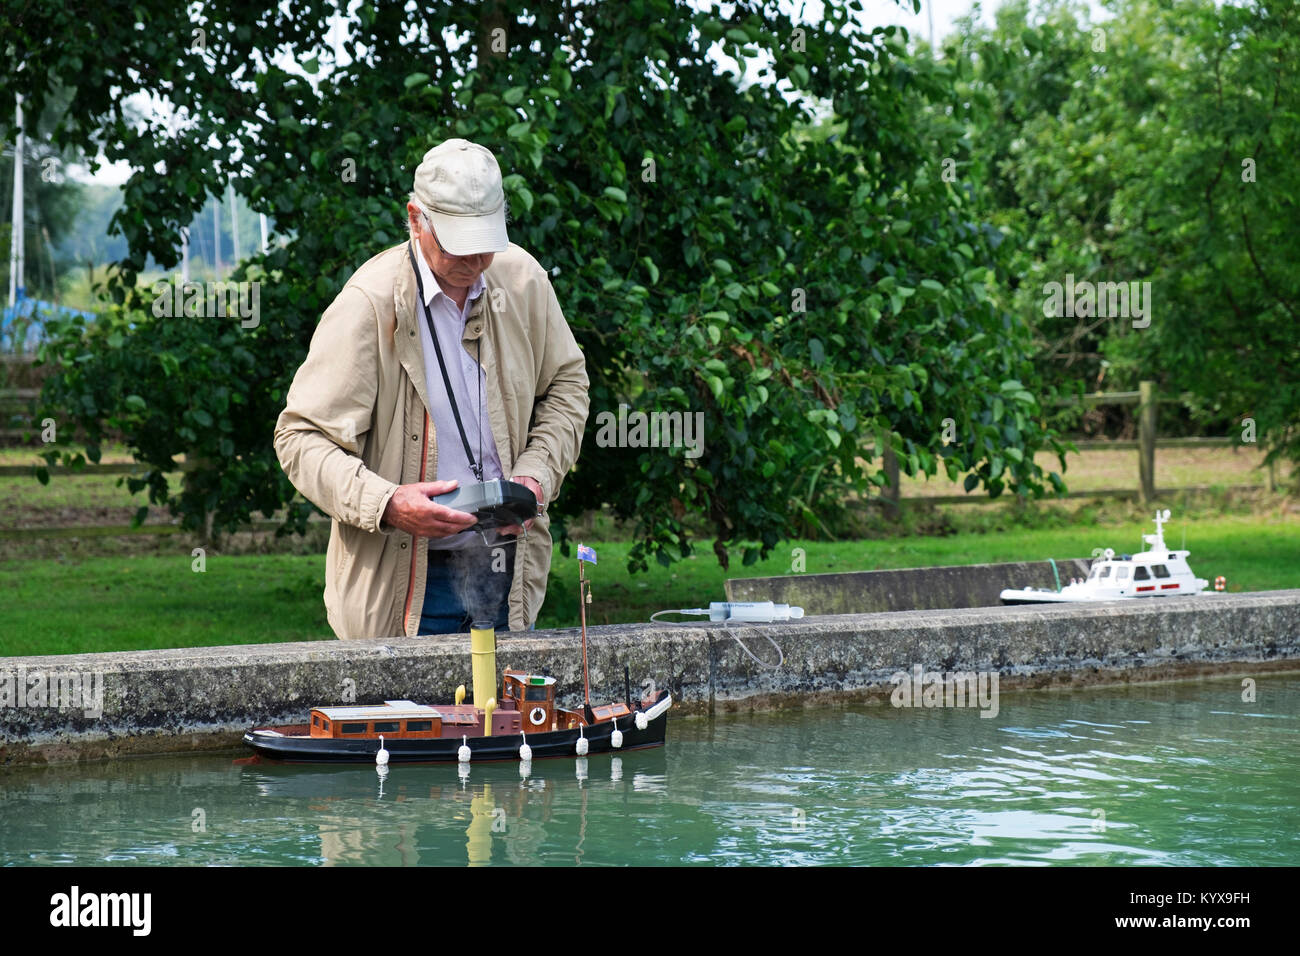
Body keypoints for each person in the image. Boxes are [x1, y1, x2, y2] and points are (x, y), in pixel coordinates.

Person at [274, 138, 589, 639]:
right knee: (415, 719)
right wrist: (388, 503)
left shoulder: (525, 280)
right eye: (458, 245)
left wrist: (534, 478)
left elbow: (568, 385)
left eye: (487, 242)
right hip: (404, 580)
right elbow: (300, 438)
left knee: (500, 717)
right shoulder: (367, 303)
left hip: (507, 564)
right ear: (416, 218)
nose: (476, 261)